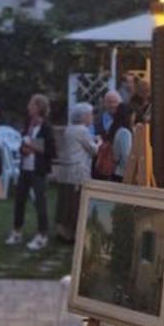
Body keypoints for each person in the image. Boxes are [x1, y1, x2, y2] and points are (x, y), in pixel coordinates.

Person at [7, 94, 55, 250]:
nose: (28, 107)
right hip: (25, 168)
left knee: (40, 201)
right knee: (19, 200)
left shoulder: (46, 127)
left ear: (39, 107)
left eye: (31, 105)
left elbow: (51, 150)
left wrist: (33, 146)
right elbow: (23, 142)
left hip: (38, 169)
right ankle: (17, 231)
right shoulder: (28, 123)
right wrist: (24, 148)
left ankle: (42, 235)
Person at [53, 100, 97, 243]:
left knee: (64, 202)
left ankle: (62, 230)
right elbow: (93, 150)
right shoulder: (82, 130)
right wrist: (100, 142)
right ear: (83, 116)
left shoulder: (69, 129)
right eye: (90, 115)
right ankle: (72, 234)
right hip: (77, 172)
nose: (92, 117)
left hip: (66, 170)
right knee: (75, 202)